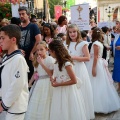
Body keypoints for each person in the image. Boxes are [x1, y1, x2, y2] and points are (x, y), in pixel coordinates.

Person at [49, 40, 87, 120]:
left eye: (50, 51)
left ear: (54, 51)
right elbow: (57, 74)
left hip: (68, 90)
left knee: (68, 108)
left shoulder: (66, 64)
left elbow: (74, 80)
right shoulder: (56, 62)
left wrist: (58, 84)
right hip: (59, 91)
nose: (49, 53)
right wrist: (53, 79)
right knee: (60, 109)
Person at [86, 27, 120, 113]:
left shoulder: (96, 44)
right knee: (99, 83)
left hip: (95, 64)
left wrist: (93, 68)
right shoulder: (99, 43)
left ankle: (96, 105)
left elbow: (96, 56)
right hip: (98, 63)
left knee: (96, 83)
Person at [65, 24, 94, 120]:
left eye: (74, 32)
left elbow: (87, 58)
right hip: (69, 68)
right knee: (71, 91)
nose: (72, 34)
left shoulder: (83, 43)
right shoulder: (67, 44)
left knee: (80, 90)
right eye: (70, 32)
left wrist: (73, 57)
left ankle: (83, 114)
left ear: (77, 32)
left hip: (79, 69)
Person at [0, 24, 29, 120]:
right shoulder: (6, 57)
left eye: (3, 38)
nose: (0, 41)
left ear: (13, 40)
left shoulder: (19, 59)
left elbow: (17, 85)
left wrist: (4, 104)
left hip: (15, 107)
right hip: (6, 104)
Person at [25, 41, 55, 120]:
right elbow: (35, 72)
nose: (39, 52)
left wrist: (42, 63)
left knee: (46, 102)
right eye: (37, 50)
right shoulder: (37, 59)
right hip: (39, 83)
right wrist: (29, 83)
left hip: (48, 83)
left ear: (46, 49)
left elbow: (51, 74)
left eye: (41, 49)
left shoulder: (50, 59)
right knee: (37, 102)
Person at [18, 6, 41, 81]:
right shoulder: (19, 28)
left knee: (31, 77)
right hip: (21, 56)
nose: (21, 16)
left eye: (23, 14)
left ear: (28, 15)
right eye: (20, 14)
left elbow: (38, 40)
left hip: (31, 57)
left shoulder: (33, 26)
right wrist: (18, 50)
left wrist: (32, 52)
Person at [111, 22, 120, 91]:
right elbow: (114, 43)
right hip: (116, 56)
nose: (116, 29)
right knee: (118, 72)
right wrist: (110, 47)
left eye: (117, 28)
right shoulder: (117, 35)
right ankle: (119, 86)